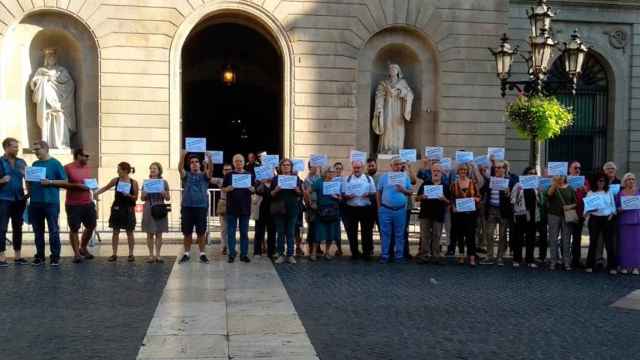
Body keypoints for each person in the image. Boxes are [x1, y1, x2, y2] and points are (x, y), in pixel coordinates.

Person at [28, 140, 68, 266]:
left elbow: (65, 182)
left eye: (37, 149)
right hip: (35, 202)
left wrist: (50, 182)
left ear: (45, 148)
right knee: (37, 231)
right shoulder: (35, 163)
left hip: (51, 202)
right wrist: (28, 187)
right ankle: (40, 256)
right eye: (34, 150)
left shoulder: (55, 163)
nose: (35, 152)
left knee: (53, 230)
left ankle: (55, 256)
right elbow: (29, 181)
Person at [94, 162, 139, 262]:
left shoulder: (133, 182)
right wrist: (96, 193)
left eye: (119, 169)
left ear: (125, 171)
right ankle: (114, 254)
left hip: (128, 209)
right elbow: (106, 187)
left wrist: (128, 195)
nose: (117, 171)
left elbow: (136, 198)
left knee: (129, 232)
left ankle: (131, 254)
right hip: (117, 208)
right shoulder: (116, 180)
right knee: (115, 232)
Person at [177, 150, 212, 264]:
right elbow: (180, 168)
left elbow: (210, 171)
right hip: (187, 207)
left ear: (200, 164)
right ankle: (186, 253)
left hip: (201, 207)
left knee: (201, 232)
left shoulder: (204, 175)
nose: (194, 163)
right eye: (192, 162)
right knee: (187, 232)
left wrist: (209, 158)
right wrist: (183, 155)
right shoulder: (186, 175)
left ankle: (202, 254)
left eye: (196, 161)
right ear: (189, 164)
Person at [376, 156, 413, 264]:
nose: (398, 166)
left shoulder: (405, 177)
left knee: (399, 234)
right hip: (385, 210)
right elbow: (378, 192)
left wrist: (403, 190)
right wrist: (379, 207)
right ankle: (384, 255)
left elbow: (410, 191)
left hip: (400, 210)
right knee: (385, 234)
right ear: (391, 166)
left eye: (399, 164)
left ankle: (399, 256)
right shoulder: (384, 177)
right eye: (395, 164)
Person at [64, 148, 96, 263]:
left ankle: (83, 247)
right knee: (74, 229)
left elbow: (88, 183)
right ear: (78, 156)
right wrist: (77, 186)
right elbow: (64, 184)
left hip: (88, 202)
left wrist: (93, 186)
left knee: (91, 226)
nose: (88, 158)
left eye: (88, 156)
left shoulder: (87, 168)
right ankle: (77, 253)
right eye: (85, 156)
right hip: (73, 204)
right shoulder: (67, 168)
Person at [0, 137, 27, 266]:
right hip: (3, 199)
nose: (17, 149)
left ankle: (18, 256)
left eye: (17, 146)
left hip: (19, 199)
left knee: (18, 227)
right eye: (14, 147)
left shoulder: (21, 162)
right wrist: (1, 180)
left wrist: (29, 192)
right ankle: (2, 256)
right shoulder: (0, 162)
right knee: (2, 228)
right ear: (6, 148)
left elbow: (28, 177)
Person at [223, 154, 255, 263]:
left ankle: (244, 254)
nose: (238, 163)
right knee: (231, 232)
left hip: (245, 208)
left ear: (243, 162)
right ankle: (232, 254)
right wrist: (228, 188)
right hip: (231, 208)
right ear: (233, 163)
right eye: (236, 161)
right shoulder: (228, 175)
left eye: (240, 161)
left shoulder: (249, 174)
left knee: (244, 233)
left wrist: (252, 189)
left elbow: (254, 189)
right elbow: (223, 189)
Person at [416, 163, 450, 264]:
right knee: (425, 236)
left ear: (441, 173)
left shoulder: (445, 185)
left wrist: (444, 199)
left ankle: (436, 256)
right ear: (431, 172)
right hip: (425, 214)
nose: (436, 173)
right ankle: (424, 255)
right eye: (434, 171)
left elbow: (450, 202)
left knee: (437, 236)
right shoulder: (425, 184)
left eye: (438, 171)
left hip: (438, 214)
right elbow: (416, 198)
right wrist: (422, 197)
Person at [342, 160, 376, 261]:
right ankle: (354, 252)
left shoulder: (369, 179)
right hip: (351, 209)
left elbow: (374, 194)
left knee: (367, 232)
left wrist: (368, 195)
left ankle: (367, 252)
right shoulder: (346, 179)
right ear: (352, 168)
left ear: (362, 168)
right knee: (352, 232)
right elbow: (343, 194)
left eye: (358, 168)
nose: (356, 169)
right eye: (355, 168)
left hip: (366, 209)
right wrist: (347, 196)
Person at [271, 158, 303, 264]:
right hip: (279, 210)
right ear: (280, 167)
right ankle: (280, 254)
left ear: (291, 167)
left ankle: (290, 255)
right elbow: (270, 195)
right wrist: (276, 190)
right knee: (280, 233)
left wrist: (297, 190)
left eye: (288, 165)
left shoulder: (296, 178)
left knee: (290, 233)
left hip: (292, 210)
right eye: (284, 165)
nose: (286, 167)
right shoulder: (275, 179)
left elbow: (300, 194)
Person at [481, 160, 513, 266]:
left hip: (503, 211)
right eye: (496, 168)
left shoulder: (510, 181)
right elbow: (484, 193)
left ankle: (500, 257)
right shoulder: (490, 180)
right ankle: (490, 256)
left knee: (502, 235)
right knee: (489, 233)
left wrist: (509, 192)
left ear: (505, 169)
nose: (498, 169)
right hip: (491, 210)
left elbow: (514, 197)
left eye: (500, 167)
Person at [584, 172, 616, 274]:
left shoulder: (609, 192)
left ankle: (612, 267)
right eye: (599, 180)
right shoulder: (590, 193)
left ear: (606, 182)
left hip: (607, 219)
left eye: (603, 180)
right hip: (594, 219)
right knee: (593, 242)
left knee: (609, 243)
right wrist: (589, 211)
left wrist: (611, 215)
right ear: (595, 182)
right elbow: (585, 211)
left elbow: (613, 207)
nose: (601, 182)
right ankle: (589, 265)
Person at [449, 163, 481, 266]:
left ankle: (471, 257)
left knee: (470, 236)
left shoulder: (473, 183)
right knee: (460, 236)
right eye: (461, 170)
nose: (463, 171)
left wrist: (476, 199)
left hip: (470, 214)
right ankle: (461, 256)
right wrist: (453, 207)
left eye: (465, 170)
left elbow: (478, 196)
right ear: (458, 171)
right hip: (458, 215)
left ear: (467, 171)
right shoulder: (454, 185)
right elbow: (452, 199)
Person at [310, 165, 342, 261]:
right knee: (318, 233)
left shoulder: (336, 183)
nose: (331, 174)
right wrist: (312, 202)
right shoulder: (319, 182)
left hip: (333, 211)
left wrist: (337, 197)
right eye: (329, 172)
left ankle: (327, 252)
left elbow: (341, 198)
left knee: (331, 233)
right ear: (325, 173)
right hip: (321, 211)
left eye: (333, 172)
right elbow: (308, 191)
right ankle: (314, 252)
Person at [141, 162, 170, 263]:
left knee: (159, 233)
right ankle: (150, 255)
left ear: (159, 170)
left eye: (154, 168)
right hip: (149, 208)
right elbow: (142, 198)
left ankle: (158, 255)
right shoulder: (146, 182)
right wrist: (144, 194)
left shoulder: (164, 182)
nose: (152, 170)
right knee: (149, 233)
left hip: (160, 207)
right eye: (151, 168)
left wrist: (164, 193)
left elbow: (168, 198)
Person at [547, 175, 577, 271]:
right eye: (558, 175)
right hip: (553, 215)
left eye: (562, 175)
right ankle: (553, 261)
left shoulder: (570, 188)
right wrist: (555, 184)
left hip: (566, 216)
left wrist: (569, 207)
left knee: (566, 239)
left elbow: (576, 202)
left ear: (565, 177)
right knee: (553, 239)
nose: (560, 177)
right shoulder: (552, 186)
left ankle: (566, 262)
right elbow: (548, 195)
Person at [510, 167, 539, 268]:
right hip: (520, 214)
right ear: (525, 174)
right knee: (519, 237)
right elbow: (512, 200)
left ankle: (529, 260)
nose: (532, 175)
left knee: (531, 238)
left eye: (534, 173)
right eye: (530, 173)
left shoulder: (536, 186)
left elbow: (540, 200)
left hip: (532, 214)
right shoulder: (518, 185)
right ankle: (516, 259)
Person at [615, 173, 640, 275]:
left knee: (636, 245)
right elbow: (615, 208)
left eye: (633, 179)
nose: (631, 181)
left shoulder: (639, 192)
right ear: (624, 182)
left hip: (637, 221)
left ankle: (636, 267)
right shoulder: (620, 193)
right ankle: (624, 266)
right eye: (628, 179)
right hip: (624, 221)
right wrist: (619, 209)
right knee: (624, 245)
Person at [568, 160, 588, 268]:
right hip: (567, 213)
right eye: (575, 168)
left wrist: (585, 189)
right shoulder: (565, 179)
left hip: (580, 213)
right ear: (570, 169)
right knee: (565, 237)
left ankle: (576, 259)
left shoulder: (584, 180)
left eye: (579, 168)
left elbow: (589, 194)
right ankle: (565, 259)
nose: (577, 170)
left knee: (577, 237)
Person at [255, 167, 276, 258]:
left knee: (272, 232)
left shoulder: (275, 183)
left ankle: (271, 252)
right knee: (259, 231)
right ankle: (257, 251)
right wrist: (262, 182)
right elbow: (258, 191)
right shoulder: (259, 182)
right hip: (261, 209)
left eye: (270, 172)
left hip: (273, 210)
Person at [211, 164, 232, 255]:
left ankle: (232, 246)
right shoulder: (220, 180)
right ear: (223, 171)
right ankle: (224, 246)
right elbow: (208, 177)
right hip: (223, 203)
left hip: (234, 205)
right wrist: (208, 165)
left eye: (229, 169)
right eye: (225, 170)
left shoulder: (236, 179)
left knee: (233, 227)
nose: (227, 171)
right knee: (223, 228)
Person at [303, 163, 321, 255]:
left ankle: (317, 247)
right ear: (310, 167)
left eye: (316, 166)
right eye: (313, 166)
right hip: (310, 206)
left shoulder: (319, 178)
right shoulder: (307, 180)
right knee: (312, 227)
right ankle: (311, 246)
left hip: (320, 205)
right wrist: (309, 204)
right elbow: (305, 193)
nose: (315, 168)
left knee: (318, 227)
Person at [333, 161, 345, 256]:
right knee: (336, 228)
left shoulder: (345, 180)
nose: (338, 170)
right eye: (336, 168)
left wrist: (342, 197)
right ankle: (339, 248)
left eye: (340, 168)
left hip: (344, 206)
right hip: (334, 206)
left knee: (348, 227)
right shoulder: (330, 180)